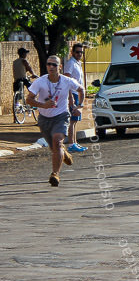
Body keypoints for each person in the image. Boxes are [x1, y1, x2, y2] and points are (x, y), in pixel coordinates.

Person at [26, 56, 86, 186]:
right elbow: (28, 99)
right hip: (44, 118)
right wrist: (43, 105)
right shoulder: (39, 82)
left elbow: (81, 89)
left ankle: (55, 174)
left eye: (54, 64)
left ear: (60, 67)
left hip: (61, 115)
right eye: (48, 64)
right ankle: (63, 153)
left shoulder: (67, 80)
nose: (51, 67)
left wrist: (79, 106)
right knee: (54, 148)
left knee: (57, 141)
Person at [63, 42, 88, 153]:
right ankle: (71, 144)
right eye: (77, 52)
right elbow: (66, 81)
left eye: (81, 52)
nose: (79, 54)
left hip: (78, 94)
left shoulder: (78, 63)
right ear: (72, 52)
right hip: (72, 94)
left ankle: (75, 142)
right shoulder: (70, 64)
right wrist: (70, 98)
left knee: (76, 120)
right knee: (72, 120)